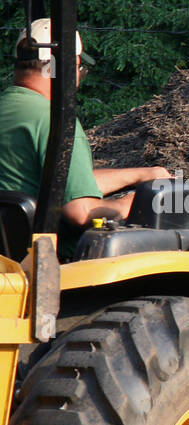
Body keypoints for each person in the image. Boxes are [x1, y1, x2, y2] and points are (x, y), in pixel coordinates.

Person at [0, 18, 171, 258]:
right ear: (67, 66)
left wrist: (140, 175)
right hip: (51, 261)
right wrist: (137, 201)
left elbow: (61, 183)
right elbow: (80, 212)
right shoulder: (55, 122)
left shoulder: (10, 108)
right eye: (80, 69)